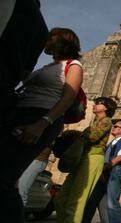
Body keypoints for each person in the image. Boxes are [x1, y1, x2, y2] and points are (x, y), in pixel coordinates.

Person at [0, 27, 82, 222]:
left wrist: (43, 123)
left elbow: (68, 97)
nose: (46, 40)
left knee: (5, 178)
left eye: (51, 37)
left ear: (62, 41)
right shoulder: (48, 67)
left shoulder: (73, 65)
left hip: (40, 118)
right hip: (18, 116)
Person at [55, 97, 117, 223]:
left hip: (93, 159)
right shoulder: (95, 122)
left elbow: (92, 137)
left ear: (106, 108)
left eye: (98, 103)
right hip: (82, 157)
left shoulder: (107, 121)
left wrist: (74, 135)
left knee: (77, 200)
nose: (93, 105)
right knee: (60, 199)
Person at [82, 120, 121, 223]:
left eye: (116, 126)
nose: (113, 127)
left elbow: (119, 158)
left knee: (112, 202)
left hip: (114, 172)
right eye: (113, 126)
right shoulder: (112, 142)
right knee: (92, 200)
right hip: (104, 173)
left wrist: (103, 169)